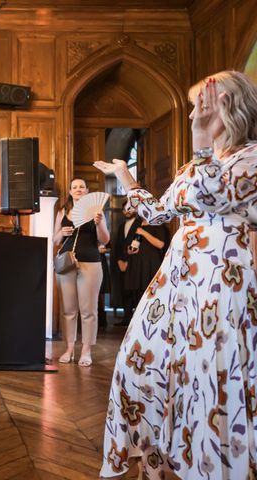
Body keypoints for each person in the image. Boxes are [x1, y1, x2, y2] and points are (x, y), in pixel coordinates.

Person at [95, 71, 257, 479]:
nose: (190, 116)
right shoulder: (194, 163)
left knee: (213, 385)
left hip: (221, 286)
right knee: (138, 366)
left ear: (226, 107)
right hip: (174, 287)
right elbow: (158, 213)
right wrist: (126, 177)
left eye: (197, 107)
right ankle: (162, 460)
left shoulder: (252, 157)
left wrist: (203, 146)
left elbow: (216, 195)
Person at [53, 177, 110, 366]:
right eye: (74, 187)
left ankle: (86, 351)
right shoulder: (63, 211)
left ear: (87, 191)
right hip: (66, 264)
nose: (78, 189)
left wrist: (99, 223)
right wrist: (63, 233)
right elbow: (55, 240)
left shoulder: (97, 212)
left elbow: (105, 240)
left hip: (90, 263)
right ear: (70, 191)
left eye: (81, 186)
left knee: (88, 310)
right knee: (68, 310)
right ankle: (69, 349)